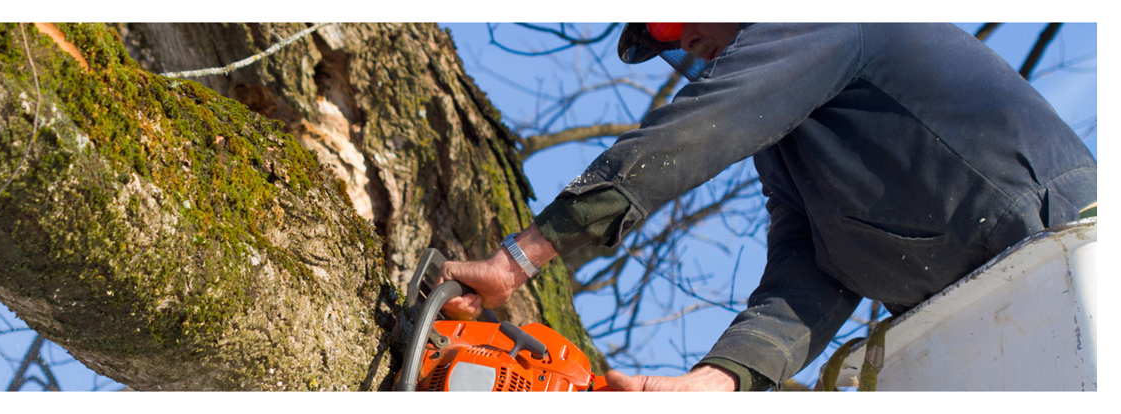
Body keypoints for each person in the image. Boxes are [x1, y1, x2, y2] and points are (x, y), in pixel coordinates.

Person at [437, 23, 1097, 391]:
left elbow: (697, 130)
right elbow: (813, 267)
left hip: (1071, 257)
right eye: (665, 34)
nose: (682, 40)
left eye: (674, 16)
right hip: (985, 323)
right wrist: (717, 382)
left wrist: (517, 258)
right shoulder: (789, 145)